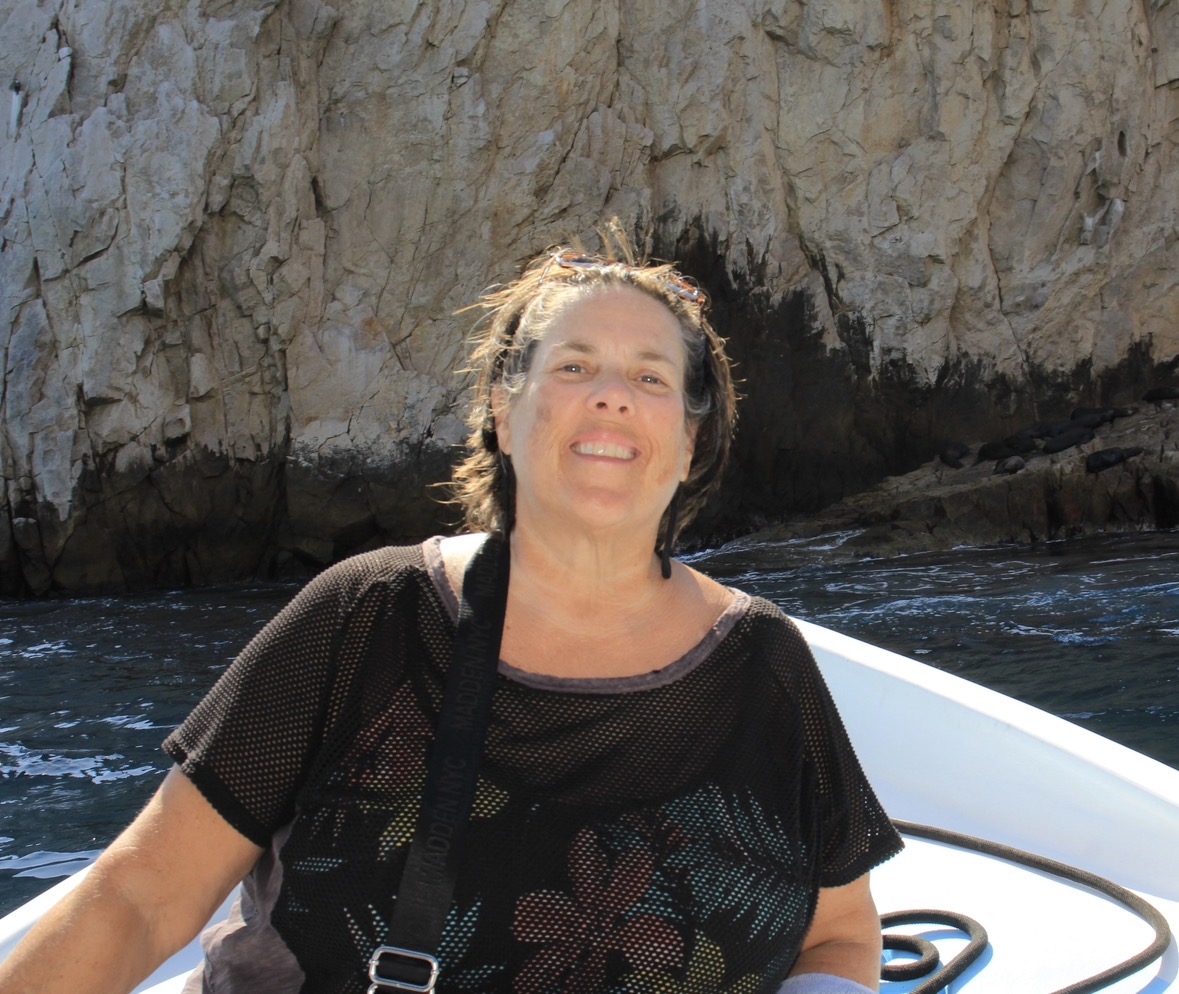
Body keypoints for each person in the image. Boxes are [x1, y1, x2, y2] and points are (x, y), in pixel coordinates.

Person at [0, 225, 903, 994]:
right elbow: (142, 898)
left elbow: (837, 935)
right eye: (574, 365)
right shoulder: (367, 615)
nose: (611, 394)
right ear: (504, 415)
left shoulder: (763, 665)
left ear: (690, 441)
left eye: (650, 376)